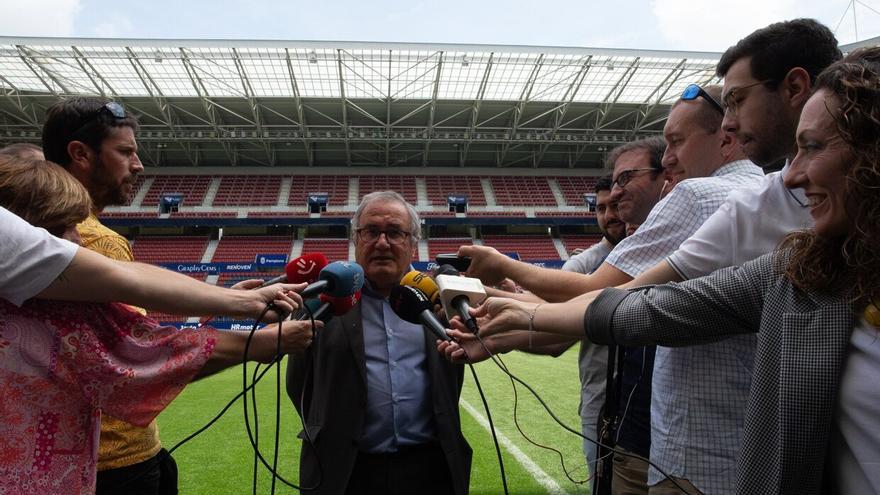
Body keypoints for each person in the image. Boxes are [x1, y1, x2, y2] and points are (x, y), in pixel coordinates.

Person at [451, 47, 880, 495]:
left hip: (696, 457)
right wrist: (518, 313)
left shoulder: (717, 201)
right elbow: (658, 307)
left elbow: (633, 300)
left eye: (812, 147)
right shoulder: (808, 264)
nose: (793, 177)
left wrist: (508, 284)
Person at [0, 155, 313, 494]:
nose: (78, 240)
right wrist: (261, 342)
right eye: (67, 227)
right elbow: (139, 355)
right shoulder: (54, 306)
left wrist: (232, 301)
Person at [287, 191, 471, 495]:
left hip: (432, 467)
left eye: (395, 233)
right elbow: (299, 385)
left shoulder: (442, 298)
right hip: (343, 470)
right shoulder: (319, 299)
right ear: (355, 240)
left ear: (413, 243)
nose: (382, 243)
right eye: (371, 232)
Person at [42, 96, 175, 493]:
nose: (138, 165)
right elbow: (137, 358)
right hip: (117, 459)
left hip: (57, 452)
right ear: (80, 154)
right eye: (125, 152)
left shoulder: (35, 229)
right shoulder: (98, 241)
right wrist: (256, 342)